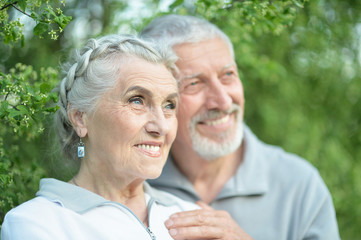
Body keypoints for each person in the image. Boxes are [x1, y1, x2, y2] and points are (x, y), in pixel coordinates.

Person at [140, 14, 340, 240]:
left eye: (228, 75)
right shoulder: (133, 179)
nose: (223, 101)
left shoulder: (300, 186)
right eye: (194, 83)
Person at [1, 34, 199, 239]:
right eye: (137, 101)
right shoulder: (35, 223)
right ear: (80, 118)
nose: (162, 126)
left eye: (169, 105)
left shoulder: (191, 215)